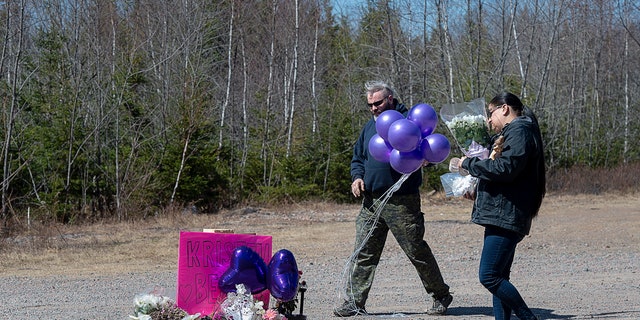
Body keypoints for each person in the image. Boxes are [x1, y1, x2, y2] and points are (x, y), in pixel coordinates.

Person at [333, 80, 452, 317]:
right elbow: (358, 157)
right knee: (364, 251)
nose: (373, 109)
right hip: (371, 201)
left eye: (377, 103)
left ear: (389, 99)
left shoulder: (409, 122)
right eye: (370, 105)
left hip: (402, 201)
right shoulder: (369, 128)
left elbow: (425, 152)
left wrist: (425, 159)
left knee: (416, 250)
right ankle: (354, 302)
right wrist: (357, 177)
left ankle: (440, 295)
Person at [458, 92, 545, 320]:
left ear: (504, 108)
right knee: (499, 276)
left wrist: (469, 163)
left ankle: (528, 317)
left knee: (489, 276)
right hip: (503, 211)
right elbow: (510, 174)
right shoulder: (514, 132)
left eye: (491, 112)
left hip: (507, 214)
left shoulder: (519, 131)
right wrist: (478, 192)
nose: (488, 119)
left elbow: (506, 169)